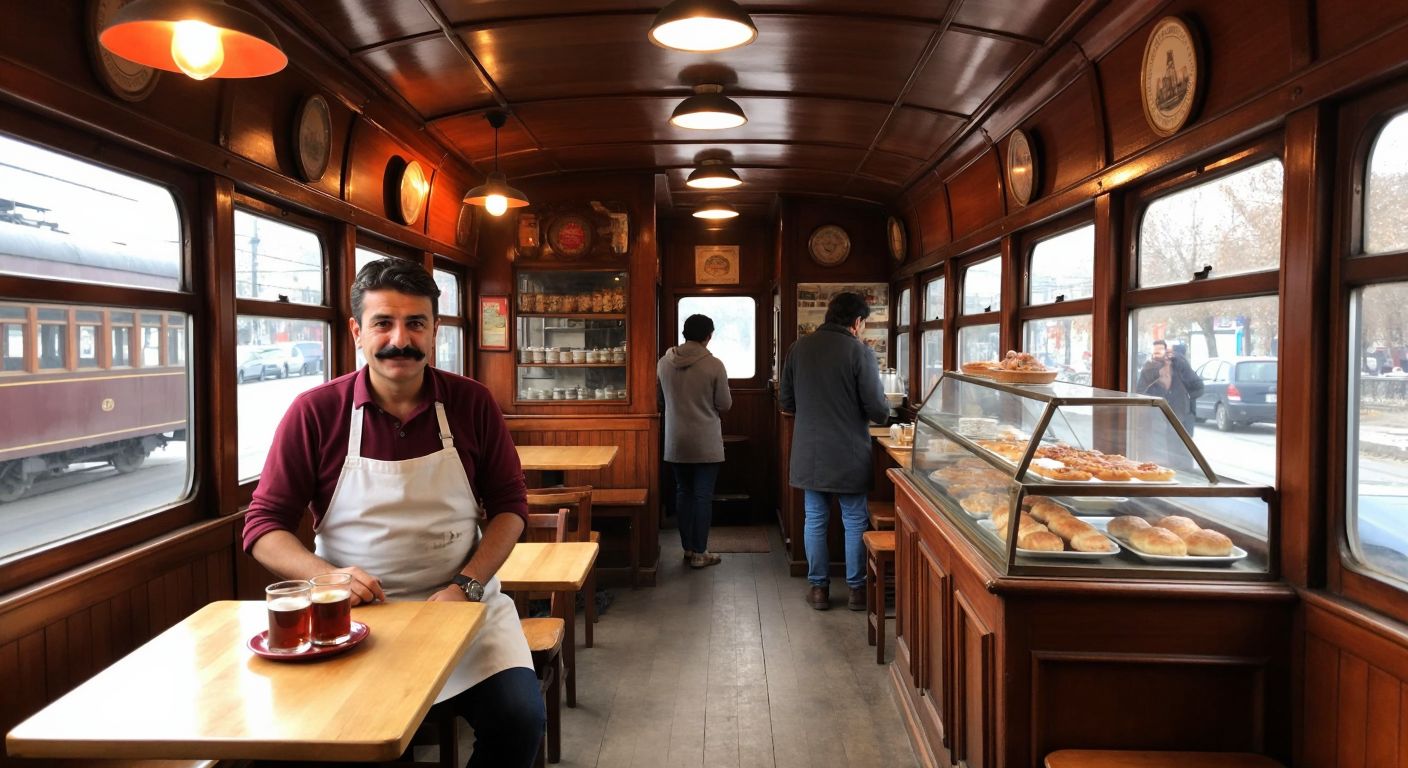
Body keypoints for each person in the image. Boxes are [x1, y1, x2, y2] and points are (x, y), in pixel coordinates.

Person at [242, 259, 543, 768]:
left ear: (435, 330)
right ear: (357, 331)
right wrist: (328, 578)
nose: (399, 339)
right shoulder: (315, 412)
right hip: (353, 616)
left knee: (519, 720)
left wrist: (467, 585)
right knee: (365, 738)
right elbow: (263, 526)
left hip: (464, 606)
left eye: (415, 323)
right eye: (383, 323)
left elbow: (510, 507)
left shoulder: (471, 403)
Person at [780, 292, 889, 611]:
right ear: (857, 321)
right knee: (854, 520)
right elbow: (878, 410)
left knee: (815, 518)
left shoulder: (799, 348)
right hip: (849, 452)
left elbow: (786, 402)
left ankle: (818, 589)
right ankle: (857, 591)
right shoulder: (860, 352)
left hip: (810, 451)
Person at [657, 314, 732, 569]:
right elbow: (725, 404)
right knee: (702, 496)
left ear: (684, 333)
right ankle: (701, 552)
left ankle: (688, 548)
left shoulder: (664, 363)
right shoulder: (714, 365)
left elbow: (659, 400)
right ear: (708, 336)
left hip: (675, 441)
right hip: (705, 442)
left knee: (683, 492)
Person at [1136, 339, 1204, 436]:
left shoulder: (1179, 366)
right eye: (1155, 353)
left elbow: (1198, 387)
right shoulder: (1148, 370)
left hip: (1180, 423)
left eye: (1161, 352)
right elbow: (1140, 394)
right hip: (1157, 423)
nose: (1157, 356)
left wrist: (1186, 398)